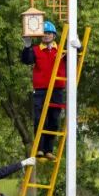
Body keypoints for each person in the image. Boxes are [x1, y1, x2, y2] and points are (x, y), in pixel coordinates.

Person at [21, 21, 67, 160]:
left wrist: (77, 47)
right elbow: (27, 60)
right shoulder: (35, 50)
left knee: (54, 119)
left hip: (57, 89)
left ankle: (48, 150)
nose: (46, 36)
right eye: (44, 33)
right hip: (41, 90)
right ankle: (40, 148)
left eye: (49, 33)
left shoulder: (61, 50)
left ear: (54, 35)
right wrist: (27, 46)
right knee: (39, 119)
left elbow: (76, 59)